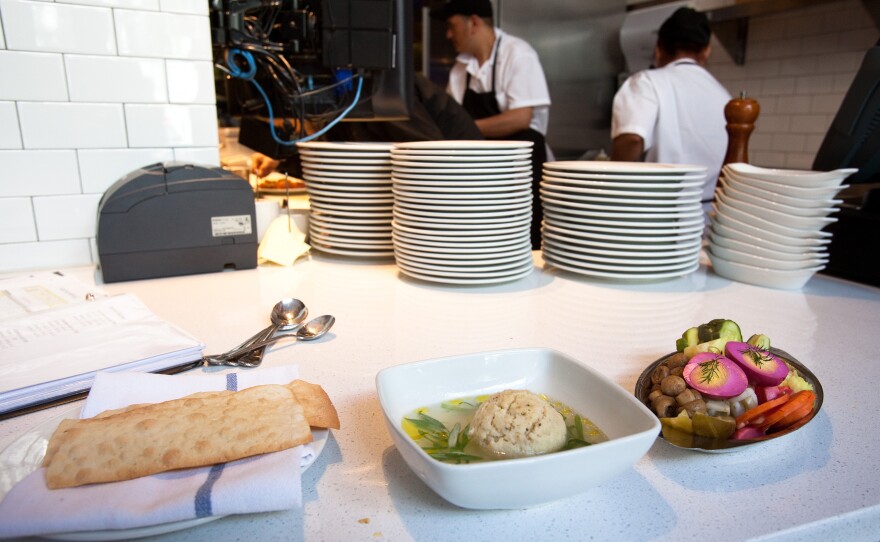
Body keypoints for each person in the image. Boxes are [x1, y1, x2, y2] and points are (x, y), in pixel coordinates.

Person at [432, 0, 552, 249]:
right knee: (485, 240)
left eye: (452, 26)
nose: (448, 34)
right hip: (482, 175)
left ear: (473, 22)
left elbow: (520, 118)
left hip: (522, 175)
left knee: (525, 242)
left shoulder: (518, 54)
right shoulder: (460, 70)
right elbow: (449, 121)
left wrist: (466, 130)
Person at [611, 7, 731, 211]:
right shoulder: (725, 96)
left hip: (659, 213)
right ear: (706, 50)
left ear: (658, 48)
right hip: (710, 216)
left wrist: (611, 179)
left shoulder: (647, 82)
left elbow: (633, 138)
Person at [252, 73, 483, 177]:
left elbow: (433, 161)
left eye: (284, 128)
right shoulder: (342, 106)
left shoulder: (383, 94)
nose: (290, 135)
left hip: (475, 189)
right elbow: (341, 166)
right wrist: (281, 160)